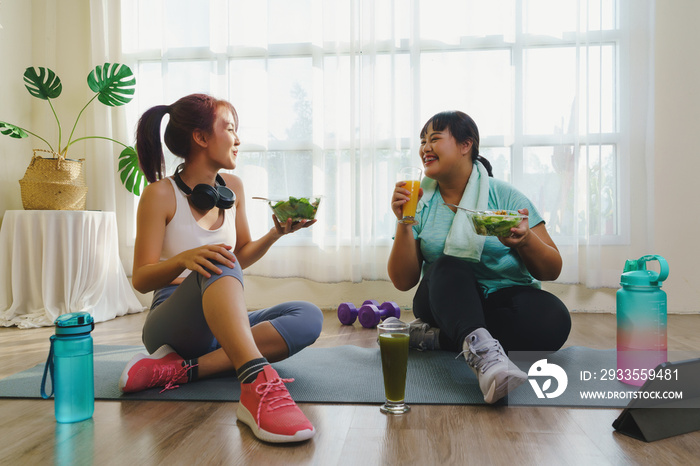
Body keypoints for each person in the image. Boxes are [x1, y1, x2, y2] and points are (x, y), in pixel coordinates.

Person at [118, 93, 323, 443]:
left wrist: (275, 233)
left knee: (308, 316)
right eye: (230, 129)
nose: (238, 139)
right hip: (172, 320)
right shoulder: (159, 194)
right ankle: (255, 382)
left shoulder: (234, 189)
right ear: (200, 137)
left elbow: (240, 255)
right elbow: (140, 279)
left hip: (222, 318)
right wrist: (183, 260)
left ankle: (183, 371)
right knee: (219, 261)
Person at [387, 110, 571, 404]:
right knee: (450, 263)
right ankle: (487, 360)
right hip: (443, 297)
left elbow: (552, 269)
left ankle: (438, 338)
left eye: (435, 138)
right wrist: (403, 222)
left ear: (465, 145)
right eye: (422, 141)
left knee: (554, 320)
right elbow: (403, 280)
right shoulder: (418, 202)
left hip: (503, 297)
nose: (425, 148)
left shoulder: (506, 197)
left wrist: (525, 241)